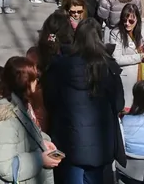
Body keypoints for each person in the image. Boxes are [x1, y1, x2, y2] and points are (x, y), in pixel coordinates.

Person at [44, 19, 125, 184]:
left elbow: (49, 100)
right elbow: (119, 104)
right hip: (100, 145)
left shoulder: (60, 66)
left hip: (67, 141)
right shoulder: (108, 68)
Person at [0, 56, 60, 184]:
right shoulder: (3, 119)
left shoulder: (18, 106)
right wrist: (40, 159)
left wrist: (42, 142)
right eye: (34, 78)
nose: (37, 82)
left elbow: (22, 135)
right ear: (26, 82)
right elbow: (6, 167)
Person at [108, 3, 144, 106]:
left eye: (131, 21)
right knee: (128, 108)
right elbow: (116, 59)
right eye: (124, 20)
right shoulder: (116, 33)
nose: (127, 24)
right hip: (127, 78)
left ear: (137, 19)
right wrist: (140, 57)